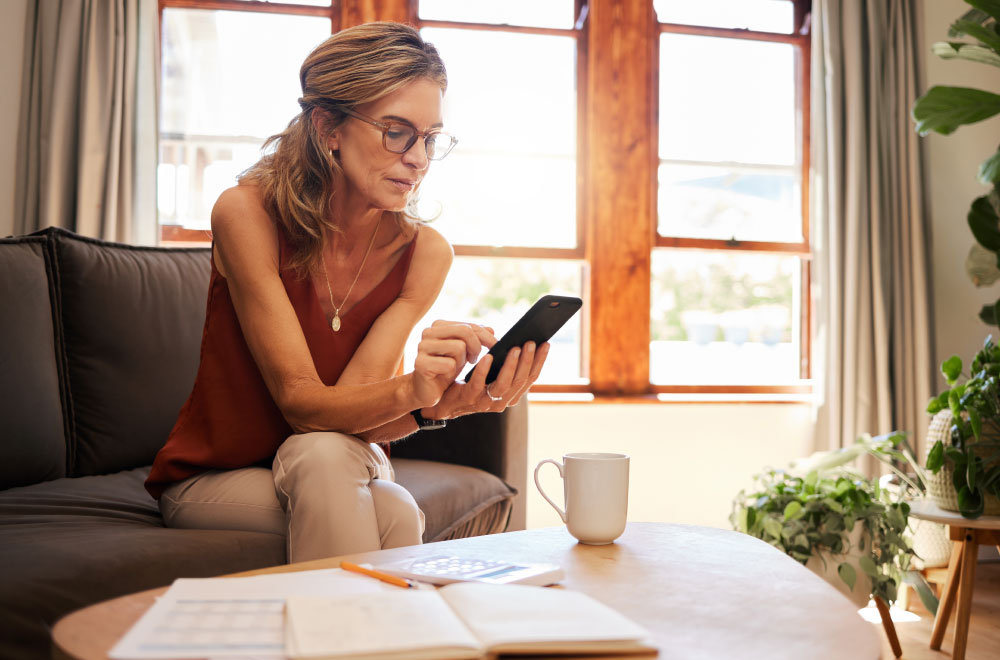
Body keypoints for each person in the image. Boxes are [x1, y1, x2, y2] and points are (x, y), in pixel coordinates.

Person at [145, 22, 548, 563]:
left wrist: (442, 406)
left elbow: (347, 418)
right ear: (327, 126)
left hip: (343, 458)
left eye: (430, 138)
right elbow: (303, 408)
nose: (419, 158)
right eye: (397, 131)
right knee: (391, 508)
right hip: (220, 476)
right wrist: (415, 389)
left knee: (328, 457)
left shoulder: (424, 252)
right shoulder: (246, 213)